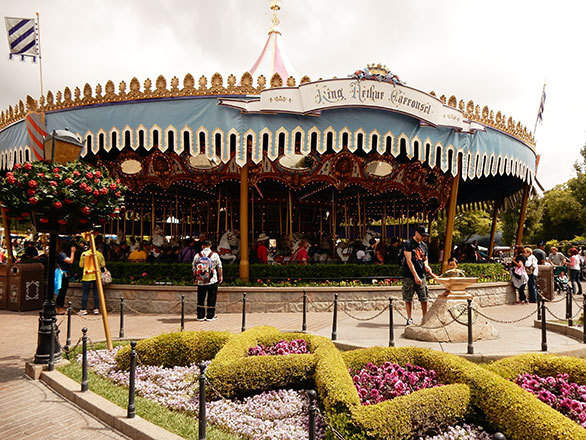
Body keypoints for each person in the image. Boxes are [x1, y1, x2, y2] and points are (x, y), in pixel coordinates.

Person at [402, 225, 435, 325]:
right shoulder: (408, 244)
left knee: (424, 297)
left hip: (422, 274)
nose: (423, 237)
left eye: (425, 236)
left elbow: (425, 258)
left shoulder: (424, 245)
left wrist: (427, 266)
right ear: (416, 233)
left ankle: (424, 317)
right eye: (422, 235)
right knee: (408, 298)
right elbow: (409, 261)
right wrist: (415, 276)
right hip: (409, 275)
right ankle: (409, 318)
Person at [193, 240, 223, 321]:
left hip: (201, 280)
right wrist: (220, 276)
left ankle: (200, 316)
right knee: (212, 297)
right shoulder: (215, 255)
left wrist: (196, 277)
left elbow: (194, 268)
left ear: (202, 246)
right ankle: (210, 316)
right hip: (212, 279)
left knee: (201, 298)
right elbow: (219, 267)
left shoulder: (197, 255)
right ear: (210, 246)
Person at [78, 243, 106, 315]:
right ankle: (96, 309)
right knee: (96, 293)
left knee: (85, 293)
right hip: (97, 275)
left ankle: (83, 309)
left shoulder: (84, 254)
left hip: (87, 275)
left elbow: (81, 265)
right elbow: (103, 265)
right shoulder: (99, 254)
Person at [55, 241, 76, 315]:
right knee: (62, 292)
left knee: (63, 292)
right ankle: (59, 307)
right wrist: (72, 252)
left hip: (64, 274)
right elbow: (70, 261)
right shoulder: (61, 254)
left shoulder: (61, 253)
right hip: (61, 274)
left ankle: (59, 307)